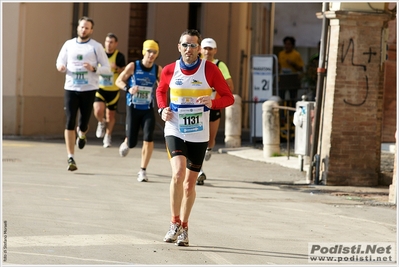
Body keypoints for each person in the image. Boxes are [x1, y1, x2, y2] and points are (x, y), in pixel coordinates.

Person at [156, 29, 234, 246]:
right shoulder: (170, 70)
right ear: (178, 47)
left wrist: (212, 103)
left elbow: (228, 97)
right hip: (174, 128)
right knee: (178, 174)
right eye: (185, 45)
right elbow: (160, 91)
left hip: (199, 133)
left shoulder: (209, 70)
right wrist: (162, 109)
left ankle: (185, 227)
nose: (188, 49)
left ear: (199, 49)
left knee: (190, 185)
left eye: (193, 45)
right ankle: (174, 223)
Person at [56, 16, 111, 171]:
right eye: (81, 27)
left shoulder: (96, 47)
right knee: (70, 121)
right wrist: (60, 66)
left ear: (91, 30)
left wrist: (94, 69)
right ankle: (70, 157)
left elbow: (107, 68)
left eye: (87, 28)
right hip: (71, 88)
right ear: (77, 28)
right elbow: (59, 61)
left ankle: (82, 134)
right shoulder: (69, 45)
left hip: (88, 89)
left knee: (84, 123)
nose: (83, 30)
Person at [115, 40, 162, 182]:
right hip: (133, 107)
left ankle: (143, 170)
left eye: (154, 52)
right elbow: (118, 81)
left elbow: (162, 86)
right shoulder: (133, 66)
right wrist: (129, 89)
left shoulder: (157, 69)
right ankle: (127, 140)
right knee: (133, 143)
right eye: (149, 51)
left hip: (148, 108)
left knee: (148, 137)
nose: (151, 55)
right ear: (144, 52)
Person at [196, 37, 234, 185]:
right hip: (197, 107)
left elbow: (230, 86)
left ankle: (209, 148)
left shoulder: (219, 65)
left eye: (210, 49)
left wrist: (215, 88)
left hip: (213, 106)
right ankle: (199, 170)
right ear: (200, 49)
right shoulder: (197, 64)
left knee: (210, 139)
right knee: (199, 139)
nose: (207, 51)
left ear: (215, 51)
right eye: (205, 48)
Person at [93, 33, 126, 148]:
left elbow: (124, 71)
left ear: (116, 44)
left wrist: (116, 67)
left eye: (111, 42)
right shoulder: (99, 54)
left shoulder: (119, 56)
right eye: (107, 41)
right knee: (98, 110)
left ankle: (108, 136)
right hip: (100, 87)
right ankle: (101, 122)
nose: (109, 44)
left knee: (110, 115)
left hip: (113, 89)